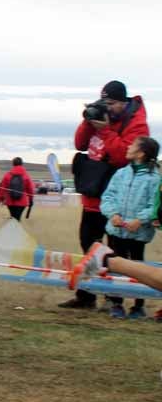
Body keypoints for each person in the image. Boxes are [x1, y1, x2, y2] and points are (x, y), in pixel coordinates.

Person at [64, 80, 150, 310]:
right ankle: (87, 296)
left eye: (111, 103)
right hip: (93, 195)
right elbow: (80, 143)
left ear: (123, 102)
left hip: (119, 201)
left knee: (116, 251)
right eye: (105, 102)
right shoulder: (102, 116)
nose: (108, 107)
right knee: (88, 244)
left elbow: (124, 156)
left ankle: (115, 297)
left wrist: (105, 130)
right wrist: (88, 120)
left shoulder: (137, 124)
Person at [96, 136, 159, 319]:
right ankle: (116, 304)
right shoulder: (121, 173)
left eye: (133, 145)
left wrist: (140, 220)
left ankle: (138, 305)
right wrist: (112, 214)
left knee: (140, 268)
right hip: (116, 231)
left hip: (138, 234)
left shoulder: (153, 179)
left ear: (141, 153)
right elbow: (108, 197)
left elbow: (154, 205)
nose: (128, 146)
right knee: (115, 265)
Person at [0, 157, 35, 222]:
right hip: (22, 201)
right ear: (22, 164)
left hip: (10, 201)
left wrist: (1, 198)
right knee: (17, 219)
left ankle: (13, 228)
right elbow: (30, 189)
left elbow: (3, 187)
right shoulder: (26, 176)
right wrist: (31, 199)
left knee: (13, 217)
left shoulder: (7, 175)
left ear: (13, 164)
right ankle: (15, 227)